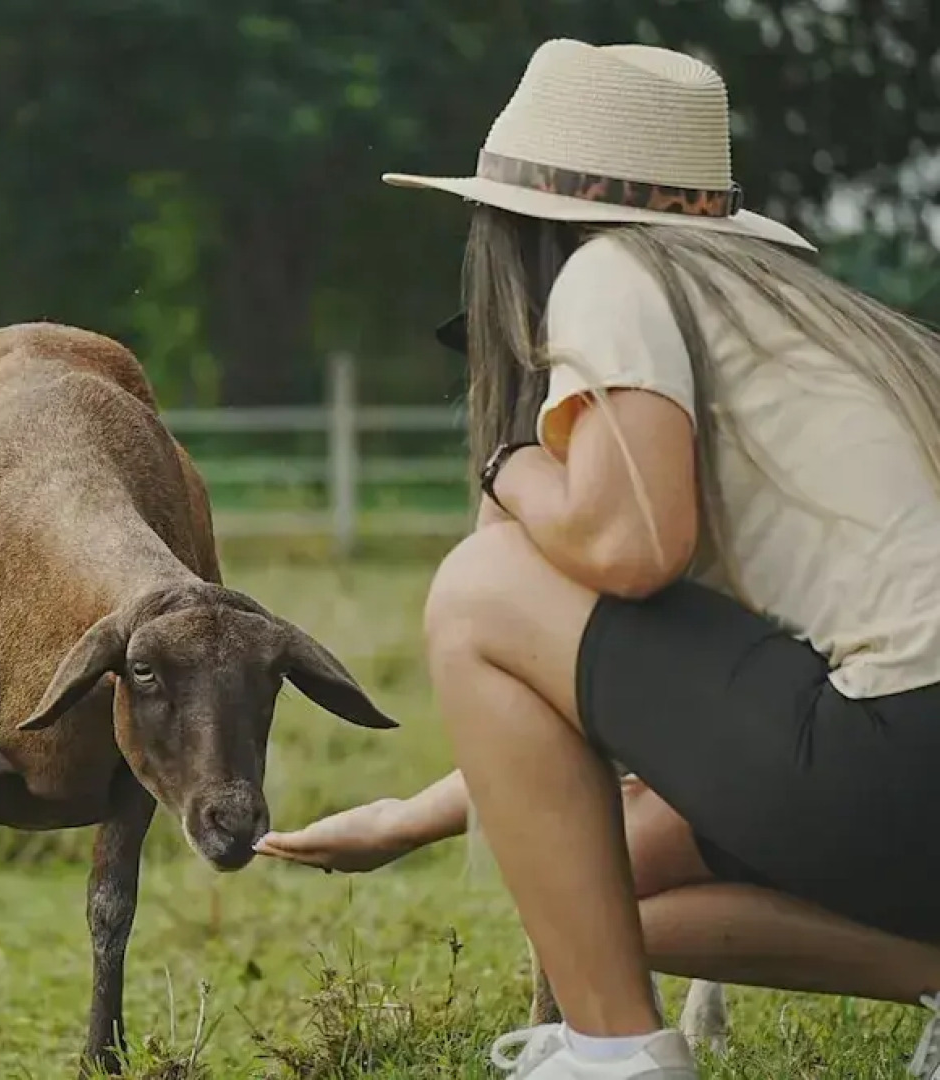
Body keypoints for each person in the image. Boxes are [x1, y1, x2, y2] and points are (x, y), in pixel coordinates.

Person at [258, 38, 940, 1080]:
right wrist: (408, 818)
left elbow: (630, 549)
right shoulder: (787, 326)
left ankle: (614, 1055)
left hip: (897, 747)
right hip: (899, 752)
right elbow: (634, 689)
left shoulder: (612, 272)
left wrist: (510, 471)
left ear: (517, 227)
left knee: (477, 591)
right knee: (598, 889)